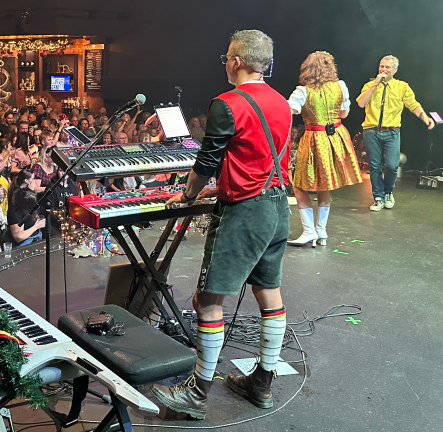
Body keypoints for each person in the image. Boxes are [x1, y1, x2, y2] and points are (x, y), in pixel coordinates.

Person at [152, 29, 291, 419]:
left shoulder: (227, 103)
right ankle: (261, 383)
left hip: (244, 214)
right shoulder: (282, 103)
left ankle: (197, 393)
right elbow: (260, 160)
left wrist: (188, 194)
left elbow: (206, 162)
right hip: (277, 207)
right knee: (269, 293)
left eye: (226, 57)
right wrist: (222, 186)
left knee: (207, 302)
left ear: (236, 61)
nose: (225, 63)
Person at [286, 51, 362, 247]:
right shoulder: (340, 86)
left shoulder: (303, 91)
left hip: (314, 138)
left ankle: (309, 231)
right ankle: (321, 231)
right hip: (335, 137)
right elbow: (344, 114)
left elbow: (289, 110)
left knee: (299, 186)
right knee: (324, 185)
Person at [356, 55, 435, 211]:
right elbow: (361, 103)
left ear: (395, 70)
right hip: (371, 131)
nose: (383, 69)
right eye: (381, 66)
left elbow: (413, 104)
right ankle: (378, 197)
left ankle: (387, 192)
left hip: (392, 132)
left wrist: (425, 117)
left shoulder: (402, 86)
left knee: (392, 166)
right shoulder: (369, 85)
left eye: (387, 67)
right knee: (374, 167)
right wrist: (375, 84)